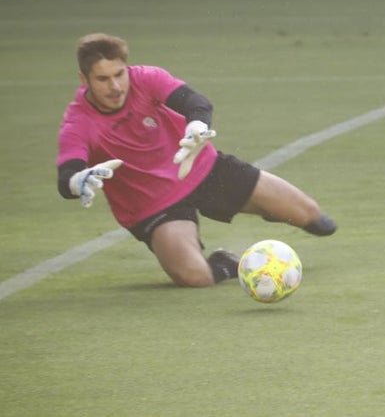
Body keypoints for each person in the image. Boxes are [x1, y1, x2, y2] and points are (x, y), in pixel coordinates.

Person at [56, 33, 337, 287]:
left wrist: (196, 127)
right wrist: (77, 181)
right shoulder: (78, 122)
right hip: (153, 206)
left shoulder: (146, 78)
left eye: (119, 74)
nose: (115, 86)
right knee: (195, 277)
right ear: (84, 79)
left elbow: (195, 102)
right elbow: (67, 175)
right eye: (103, 79)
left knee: (314, 218)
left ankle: (267, 208)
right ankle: (226, 264)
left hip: (203, 169)